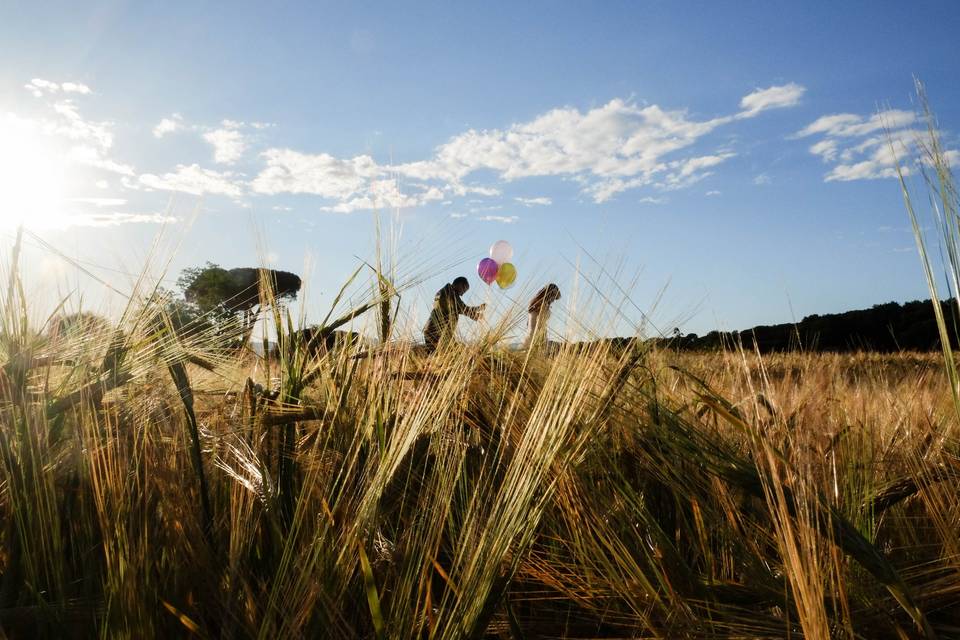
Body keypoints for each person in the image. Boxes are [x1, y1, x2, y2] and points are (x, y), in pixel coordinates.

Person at [423, 277, 485, 352]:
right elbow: (461, 308)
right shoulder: (450, 292)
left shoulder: (448, 291)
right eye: (464, 290)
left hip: (433, 330)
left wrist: (475, 312)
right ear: (459, 284)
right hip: (436, 331)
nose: (462, 294)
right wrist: (476, 313)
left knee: (435, 355)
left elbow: (460, 308)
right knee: (453, 352)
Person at [524, 283, 561, 349]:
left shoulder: (534, 302)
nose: (553, 300)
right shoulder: (542, 305)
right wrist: (543, 338)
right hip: (537, 338)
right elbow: (540, 322)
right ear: (549, 294)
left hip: (529, 336)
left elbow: (528, 323)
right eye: (553, 297)